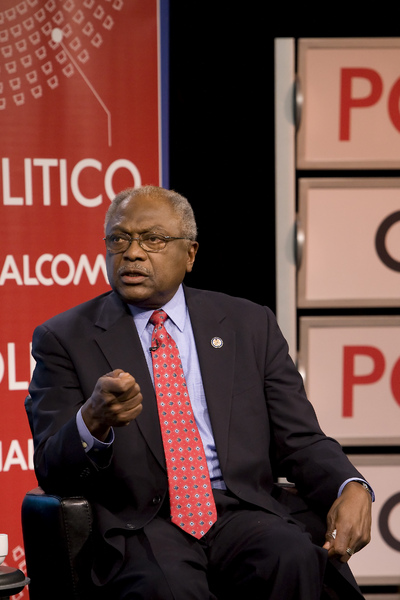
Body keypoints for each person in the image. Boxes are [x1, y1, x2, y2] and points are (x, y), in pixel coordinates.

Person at [29, 185, 373, 600]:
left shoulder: (248, 325)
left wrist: (349, 485)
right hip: (141, 521)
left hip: (238, 510)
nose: (133, 252)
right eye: (119, 239)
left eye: (153, 239)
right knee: (170, 588)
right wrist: (93, 420)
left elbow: (299, 439)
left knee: (291, 555)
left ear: (190, 254)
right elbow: (51, 467)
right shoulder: (65, 337)